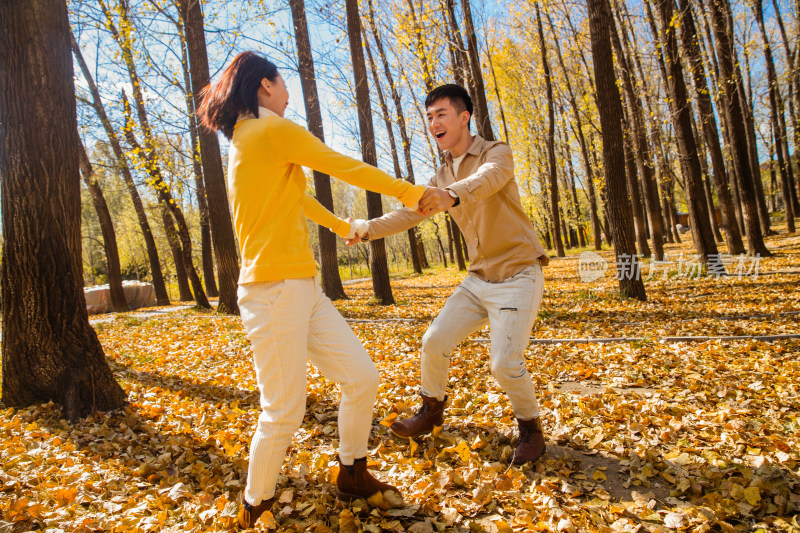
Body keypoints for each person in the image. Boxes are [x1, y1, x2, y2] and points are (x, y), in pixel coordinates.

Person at [198, 51, 425, 528]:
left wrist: (343, 225)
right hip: (274, 289)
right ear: (264, 86)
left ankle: (353, 472)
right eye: (283, 85)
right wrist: (410, 193)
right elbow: (340, 164)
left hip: (302, 287)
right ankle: (254, 507)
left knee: (361, 377)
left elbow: (297, 197)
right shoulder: (268, 131)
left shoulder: (247, 142)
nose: (287, 95)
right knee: (283, 410)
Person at [347, 84, 550, 466]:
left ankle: (531, 430)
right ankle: (431, 411)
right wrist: (367, 228)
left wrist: (451, 195)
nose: (433, 123)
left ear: (463, 117)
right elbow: (410, 212)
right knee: (434, 340)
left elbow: (488, 179)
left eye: (441, 114)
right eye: (428, 117)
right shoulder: (441, 174)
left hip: (519, 273)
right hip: (478, 279)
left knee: (505, 364)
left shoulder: (496, 153)